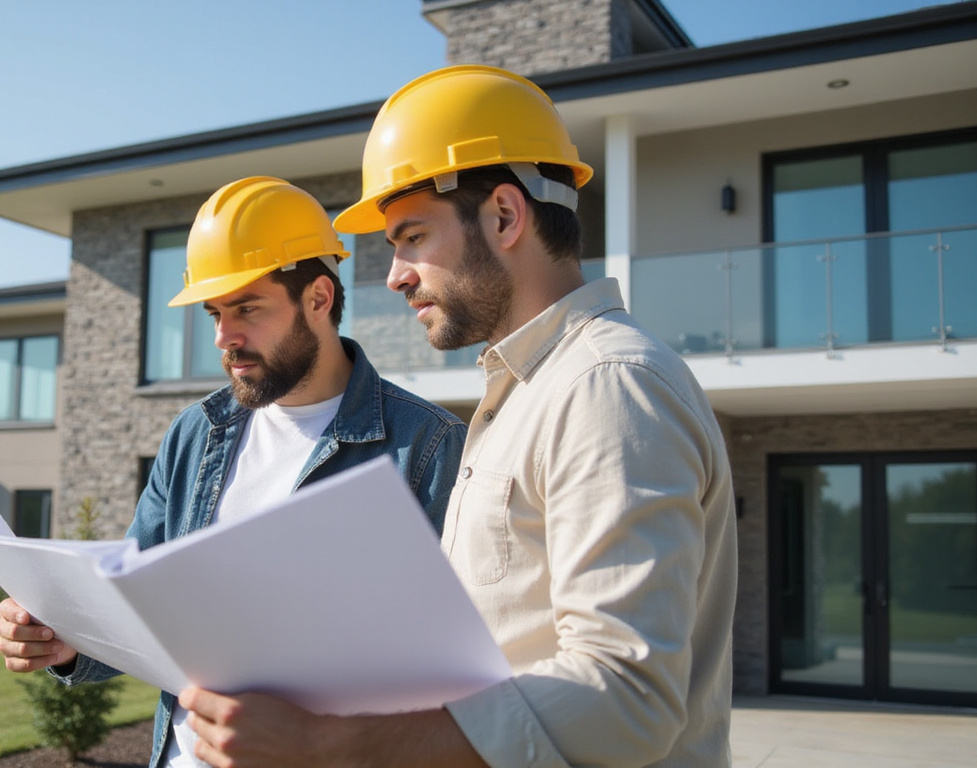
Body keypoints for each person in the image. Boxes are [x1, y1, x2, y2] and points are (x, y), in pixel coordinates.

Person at [176, 66, 739, 767]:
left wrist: (329, 745)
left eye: (412, 237)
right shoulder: (528, 391)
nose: (394, 275)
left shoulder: (607, 386)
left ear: (504, 216)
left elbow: (625, 699)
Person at [0, 175, 468, 768]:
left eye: (247, 308)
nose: (224, 337)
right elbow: (136, 604)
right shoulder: (195, 435)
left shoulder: (427, 445)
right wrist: (64, 640)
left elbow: (450, 667)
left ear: (319, 299)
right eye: (215, 312)